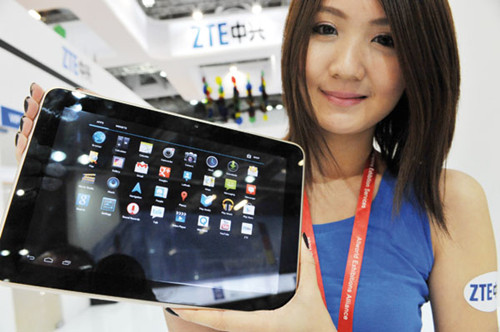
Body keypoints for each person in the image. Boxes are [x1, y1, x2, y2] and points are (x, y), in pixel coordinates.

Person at [16, 0, 498, 331]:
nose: (348, 66)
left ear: (421, 59)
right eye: (325, 28)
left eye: (387, 38)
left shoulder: (447, 203)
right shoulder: (221, 191)